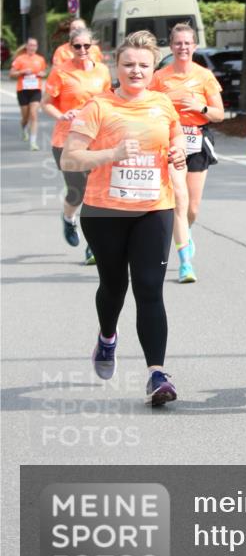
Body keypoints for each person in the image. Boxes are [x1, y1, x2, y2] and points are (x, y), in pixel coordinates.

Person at [62, 30, 186, 407]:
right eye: (128, 65)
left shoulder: (163, 104)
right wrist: (112, 153)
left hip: (153, 209)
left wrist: (178, 151)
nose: (136, 71)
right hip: (104, 213)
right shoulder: (98, 107)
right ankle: (107, 337)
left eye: (143, 66)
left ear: (153, 69)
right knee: (114, 287)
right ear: (116, 66)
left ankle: (157, 374)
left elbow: (176, 135)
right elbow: (70, 159)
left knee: (149, 287)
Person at [150, 23, 224, 283]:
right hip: (171, 142)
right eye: (178, 43)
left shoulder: (204, 76)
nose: (182, 47)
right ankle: (185, 263)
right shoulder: (160, 77)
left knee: (192, 207)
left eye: (187, 43)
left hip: (198, 140)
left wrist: (200, 106)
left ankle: (186, 231)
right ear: (171, 47)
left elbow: (220, 114)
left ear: (194, 46)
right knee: (179, 200)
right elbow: (147, 106)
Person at [42, 27, 111, 263]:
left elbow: (108, 101)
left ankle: (93, 244)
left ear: (94, 46)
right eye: (77, 46)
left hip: (96, 138)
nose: (82, 50)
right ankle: (69, 218)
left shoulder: (102, 71)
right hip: (66, 140)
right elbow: (46, 103)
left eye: (86, 46)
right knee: (78, 191)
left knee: (95, 191)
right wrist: (62, 115)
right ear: (70, 47)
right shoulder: (60, 72)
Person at [9, 38, 47, 150]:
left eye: (34, 45)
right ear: (26, 46)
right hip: (23, 90)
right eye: (30, 45)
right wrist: (22, 72)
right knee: (25, 117)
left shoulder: (40, 59)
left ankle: (33, 142)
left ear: (37, 47)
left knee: (34, 114)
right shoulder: (20, 59)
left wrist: (42, 74)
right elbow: (11, 74)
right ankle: (24, 128)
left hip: (36, 89)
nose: (32, 47)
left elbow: (44, 72)